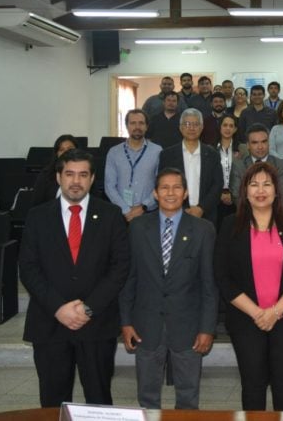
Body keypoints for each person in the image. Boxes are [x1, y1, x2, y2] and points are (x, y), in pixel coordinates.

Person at [19, 149, 130, 407]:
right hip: (49, 323)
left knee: (99, 400)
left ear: (92, 179)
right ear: (58, 177)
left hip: (96, 324)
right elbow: (28, 268)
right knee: (52, 402)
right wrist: (58, 308)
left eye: (83, 175)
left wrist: (88, 308)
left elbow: (120, 268)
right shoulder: (38, 216)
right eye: (69, 174)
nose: (76, 181)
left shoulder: (111, 215)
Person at [214, 162, 283, 410]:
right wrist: (258, 313)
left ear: (277, 191)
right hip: (246, 318)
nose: (260, 190)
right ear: (244, 191)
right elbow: (223, 277)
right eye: (253, 184)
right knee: (253, 383)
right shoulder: (229, 225)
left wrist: (275, 311)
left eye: (266, 184)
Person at [119, 168, 218, 410]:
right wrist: (126, 321)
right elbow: (128, 279)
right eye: (164, 187)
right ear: (155, 193)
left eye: (176, 187)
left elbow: (209, 285)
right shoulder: (138, 227)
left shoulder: (203, 229)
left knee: (187, 398)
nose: (170, 193)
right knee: (147, 398)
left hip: (188, 327)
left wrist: (207, 328)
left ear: (185, 193)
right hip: (146, 325)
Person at [159, 108, 224, 225]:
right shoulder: (167, 155)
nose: (192, 128)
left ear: (202, 127)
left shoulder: (212, 154)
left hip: (206, 216)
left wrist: (201, 208)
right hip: (176, 214)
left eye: (196, 124)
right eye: (187, 124)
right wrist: (181, 210)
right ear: (180, 127)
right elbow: (163, 186)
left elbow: (217, 185)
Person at [105, 109, 162, 222]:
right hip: (120, 214)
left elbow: (160, 185)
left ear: (146, 126)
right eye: (133, 123)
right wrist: (126, 210)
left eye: (141, 123)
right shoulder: (114, 152)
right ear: (127, 126)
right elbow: (109, 186)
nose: (137, 127)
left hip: (148, 213)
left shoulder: (157, 151)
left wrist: (143, 207)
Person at [230, 123, 283, 205]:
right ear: (248, 145)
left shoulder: (281, 165)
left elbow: (282, 196)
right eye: (255, 143)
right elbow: (237, 196)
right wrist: (256, 213)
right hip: (247, 215)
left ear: (269, 143)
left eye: (264, 142)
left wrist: (265, 214)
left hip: (274, 215)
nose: (260, 147)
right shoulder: (238, 166)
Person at [32, 134, 78, 206]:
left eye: (70, 149)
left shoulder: (85, 173)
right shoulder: (46, 175)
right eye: (61, 150)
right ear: (57, 154)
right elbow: (37, 203)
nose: (66, 152)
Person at [214, 114, 242, 229]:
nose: (228, 128)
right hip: (216, 197)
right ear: (220, 127)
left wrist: (233, 194)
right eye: (225, 125)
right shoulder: (210, 149)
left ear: (235, 129)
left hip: (238, 197)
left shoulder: (243, 149)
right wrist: (219, 194)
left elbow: (245, 175)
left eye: (231, 126)